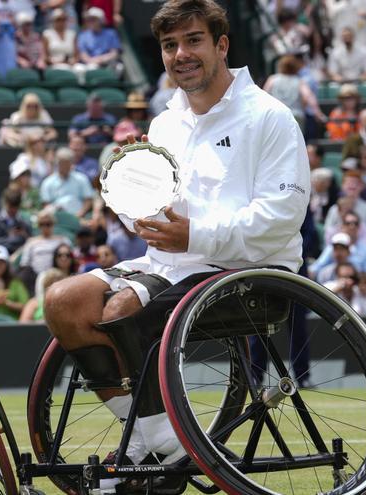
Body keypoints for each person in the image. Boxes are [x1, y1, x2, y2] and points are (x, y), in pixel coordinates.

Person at [42, 0, 309, 487]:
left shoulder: (270, 116)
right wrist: (127, 190)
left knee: (122, 311)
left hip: (251, 272)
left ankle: (158, 446)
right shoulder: (166, 122)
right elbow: (152, 217)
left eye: (193, 40)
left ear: (221, 45)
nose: (180, 54)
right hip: (170, 266)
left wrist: (195, 232)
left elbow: (283, 216)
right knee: (63, 301)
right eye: (169, 45)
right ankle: (155, 437)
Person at [263, 54, 325, 133]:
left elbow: (264, 95)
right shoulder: (299, 81)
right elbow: (308, 97)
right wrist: (318, 114)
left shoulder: (272, 79)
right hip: (296, 115)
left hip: (277, 115)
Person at [39, 147, 93, 217]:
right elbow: (46, 203)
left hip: (79, 217)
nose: (64, 166)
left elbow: (88, 200)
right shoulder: (47, 182)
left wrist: (79, 214)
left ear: (71, 163)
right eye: (62, 163)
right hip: (56, 219)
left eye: (67, 163)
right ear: (57, 163)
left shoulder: (82, 179)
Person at [0, 186, 32, 253]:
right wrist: (9, 238)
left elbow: (32, 243)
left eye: (15, 207)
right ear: (5, 203)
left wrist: (25, 236)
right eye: (11, 207)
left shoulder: (23, 222)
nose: (13, 210)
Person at [76, 7, 120, 72]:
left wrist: (101, 59)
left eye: (94, 19)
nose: (91, 22)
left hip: (107, 63)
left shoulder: (111, 33)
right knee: (78, 68)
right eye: (89, 19)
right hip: (89, 63)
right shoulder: (83, 35)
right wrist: (93, 61)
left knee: (119, 67)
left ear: (101, 20)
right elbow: (83, 55)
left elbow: (114, 53)